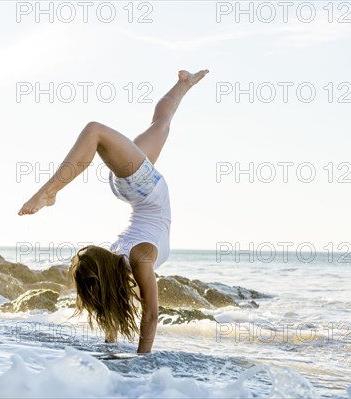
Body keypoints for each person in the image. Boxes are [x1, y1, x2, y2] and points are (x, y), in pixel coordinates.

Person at [18, 69, 209, 353]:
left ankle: (50, 191)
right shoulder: (135, 259)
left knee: (95, 131)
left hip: (143, 187)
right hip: (135, 189)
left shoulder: (136, 258)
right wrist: (126, 359)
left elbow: (151, 316)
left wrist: (142, 365)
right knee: (161, 124)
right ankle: (183, 84)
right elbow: (149, 315)